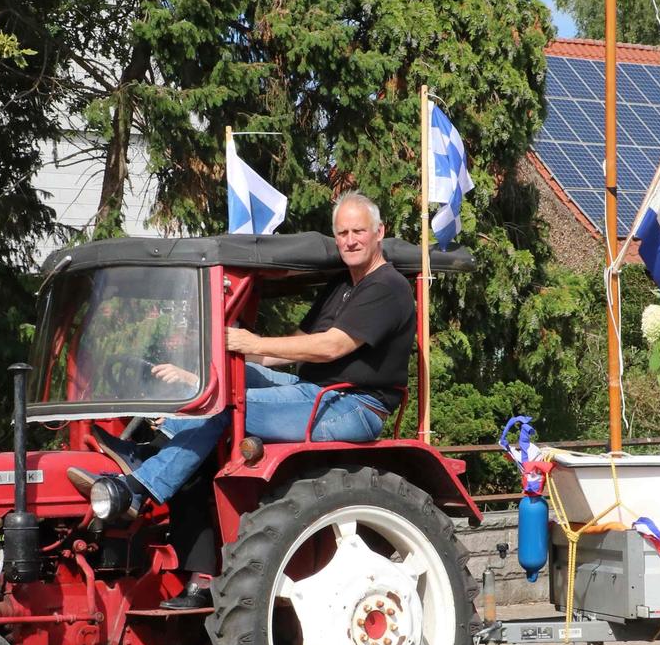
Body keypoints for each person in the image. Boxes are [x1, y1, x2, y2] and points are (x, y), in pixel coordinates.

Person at [72, 192, 413, 609]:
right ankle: (159, 454)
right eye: (342, 232)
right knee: (221, 383)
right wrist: (226, 360)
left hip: (352, 406)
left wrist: (252, 340)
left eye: (359, 231)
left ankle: (141, 484)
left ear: (380, 233)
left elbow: (331, 347)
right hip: (314, 390)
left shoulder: (388, 287)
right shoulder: (342, 284)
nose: (350, 240)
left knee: (227, 403)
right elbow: (297, 347)